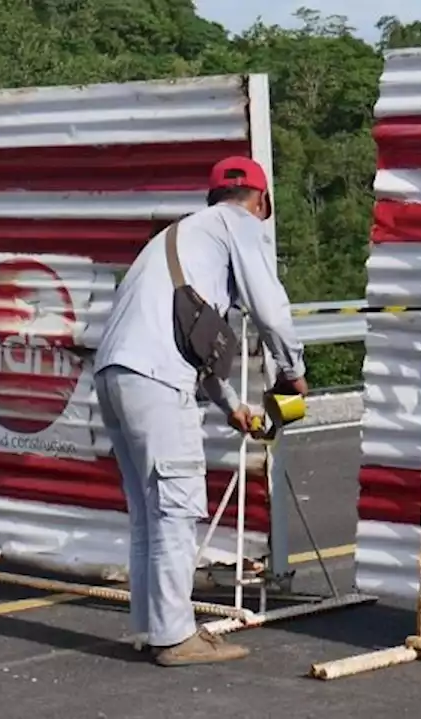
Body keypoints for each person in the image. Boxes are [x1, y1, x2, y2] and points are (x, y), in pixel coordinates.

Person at [92, 156, 309, 666]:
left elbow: (194, 341)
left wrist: (232, 405)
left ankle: (153, 628)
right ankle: (174, 638)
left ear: (212, 195)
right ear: (263, 202)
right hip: (155, 378)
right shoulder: (239, 226)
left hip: (115, 374)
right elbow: (271, 310)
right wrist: (293, 369)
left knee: (149, 512)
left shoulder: (180, 237)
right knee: (176, 505)